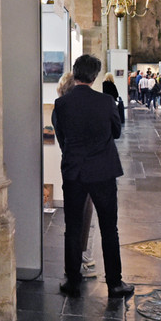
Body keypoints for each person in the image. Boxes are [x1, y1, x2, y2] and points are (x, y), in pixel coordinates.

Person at [52, 54, 133, 300]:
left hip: (74, 171)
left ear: (75, 73)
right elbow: (117, 132)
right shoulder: (106, 102)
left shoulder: (62, 104)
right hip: (103, 171)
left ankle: (73, 281)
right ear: (95, 76)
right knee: (110, 229)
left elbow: (62, 138)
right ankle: (115, 284)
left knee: (73, 228)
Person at [58, 72, 99, 279]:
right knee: (85, 217)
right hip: (86, 169)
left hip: (71, 167)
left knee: (73, 221)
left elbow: (62, 140)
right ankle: (83, 259)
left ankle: (73, 266)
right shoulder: (77, 109)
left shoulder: (60, 108)